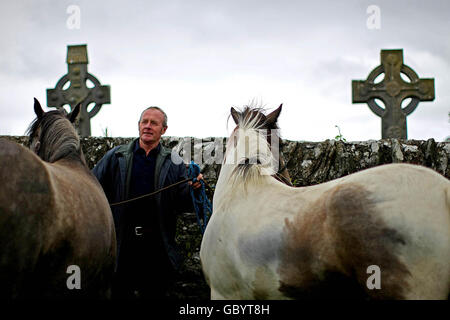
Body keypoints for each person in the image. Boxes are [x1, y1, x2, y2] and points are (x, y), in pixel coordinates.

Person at [92, 106, 203, 299]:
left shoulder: (174, 161)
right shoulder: (116, 156)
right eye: (145, 122)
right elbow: (91, 185)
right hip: (122, 248)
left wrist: (195, 187)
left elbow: (184, 203)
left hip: (157, 249)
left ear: (164, 130)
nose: (148, 126)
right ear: (138, 126)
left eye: (154, 123)